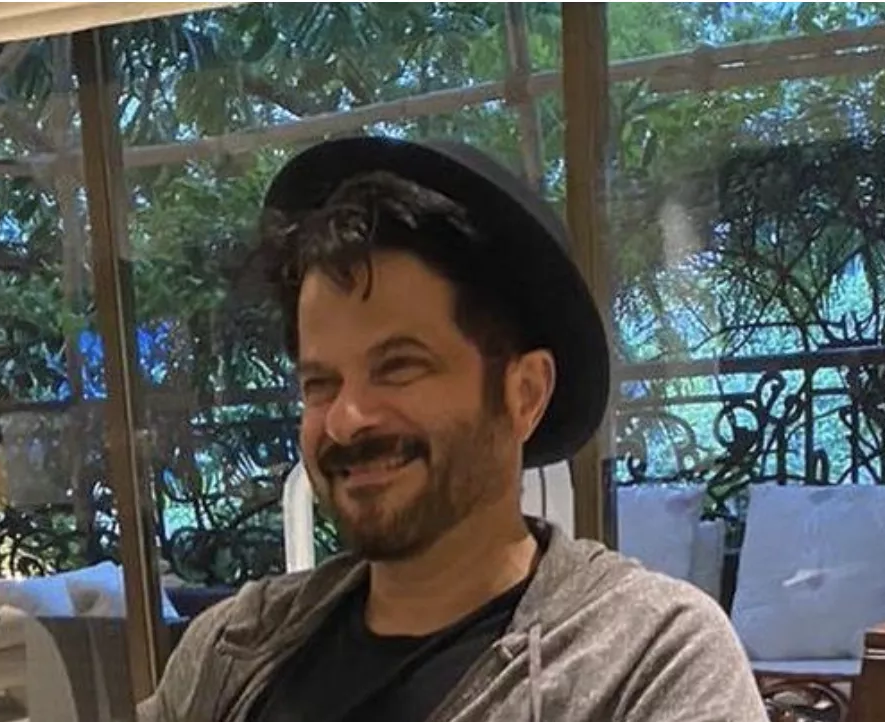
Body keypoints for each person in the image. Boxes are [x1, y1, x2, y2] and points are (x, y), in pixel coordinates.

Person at [138, 136, 767, 722]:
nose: (348, 419)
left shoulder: (647, 659)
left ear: (525, 394)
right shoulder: (235, 646)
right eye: (320, 383)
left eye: (399, 367)